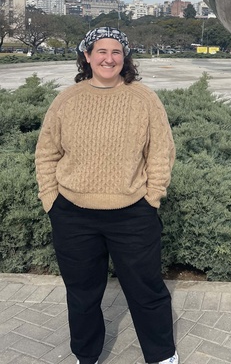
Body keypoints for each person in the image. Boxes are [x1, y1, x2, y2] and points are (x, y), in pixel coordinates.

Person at [35, 27, 178, 364]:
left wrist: (152, 197)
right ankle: (87, 356)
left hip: (132, 213)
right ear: (87, 56)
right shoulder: (67, 100)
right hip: (72, 213)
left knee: (147, 291)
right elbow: (46, 153)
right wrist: (51, 201)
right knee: (82, 295)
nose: (108, 58)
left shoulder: (144, 99)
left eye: (116, 52)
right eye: (101, 51)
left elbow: (161, 151)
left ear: (124, 58)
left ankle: (162, 356)